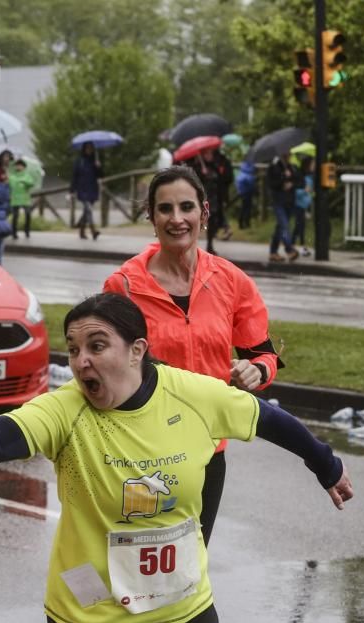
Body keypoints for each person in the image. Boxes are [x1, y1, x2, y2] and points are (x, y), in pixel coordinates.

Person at [0, 292, 352, 623]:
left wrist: (325, 465)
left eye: (98, 345)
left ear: (137, 351)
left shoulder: (191, 396)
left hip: (183, 610)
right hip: (93, 618)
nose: (81, 360)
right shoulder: (66, 408)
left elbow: (270, 420)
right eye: (75, 348)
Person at [102, 165, 283, 546]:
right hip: (143, 455)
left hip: (206, 451)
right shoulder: (124, 285)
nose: (177, 218)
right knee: (140, 560)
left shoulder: (230, 280)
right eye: (165, 209)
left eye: (186, 207)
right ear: (151, 217)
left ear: (204, 212)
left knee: (193, 558)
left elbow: (263, 355)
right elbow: (107, 367)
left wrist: (255, 371)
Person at [187, 149, 225, 255]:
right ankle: (191, 246)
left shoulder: (214, 166)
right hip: (201, 198)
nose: (209, 156)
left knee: (213, 222)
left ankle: (210, 244)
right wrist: (201, 174)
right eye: (207, 154)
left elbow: (221, 180)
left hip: (214, 198)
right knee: (197, 222)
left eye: (210, 153)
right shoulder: (196, 167)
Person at [267, 152, 300, 263]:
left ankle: (273, 252)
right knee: (284, 225)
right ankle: (289, 249)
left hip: (290, 201)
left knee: (280, 227)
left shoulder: (291, 167)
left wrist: (291, 182)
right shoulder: (274, 167)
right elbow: (272, 183)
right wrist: (283, 179)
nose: (288, 156)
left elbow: (298, 180)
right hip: (279, 201)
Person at [70, 141, 102, 240]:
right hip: (82, 189)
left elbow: (100, 175)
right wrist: (72, 190)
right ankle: (93, 230)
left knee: (86, 211)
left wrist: (98, 167)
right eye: (87, 148)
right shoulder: (79, 161)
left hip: (92, 188)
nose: (89, 150)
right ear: (84, 149)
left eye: (90, 148)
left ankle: (81, 231)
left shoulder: (94, 161)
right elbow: (74, 176)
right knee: (88, 209)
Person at [8, 158, 36, 239]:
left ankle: (27, 231)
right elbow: (9, 185)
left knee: (28, 214)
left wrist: (24, 182)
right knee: (15, 216)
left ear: (24, 167)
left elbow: (31, 183)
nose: (18, 167)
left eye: (20, 165)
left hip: (25, 198)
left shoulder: (27, 176)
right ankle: (14, 232)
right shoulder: (12, 176)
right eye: (17, 165)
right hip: (15, 198)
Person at [293, 155, 314, 257]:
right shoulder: (301, 176)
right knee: (300, 226)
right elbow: (296, 192)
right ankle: (301, 246)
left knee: (299, 227)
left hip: (305, 204)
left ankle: (292, 245)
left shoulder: (310, 176)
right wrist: (304, 190)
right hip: (299, 204)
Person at [234, 160, 256, 230]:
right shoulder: (248, 171)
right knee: (246, 208)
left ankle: (243, 222)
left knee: (244, 208)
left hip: (242, 192)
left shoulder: (242, 171)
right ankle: (245, 223)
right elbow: (250, 183)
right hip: (247, 192)